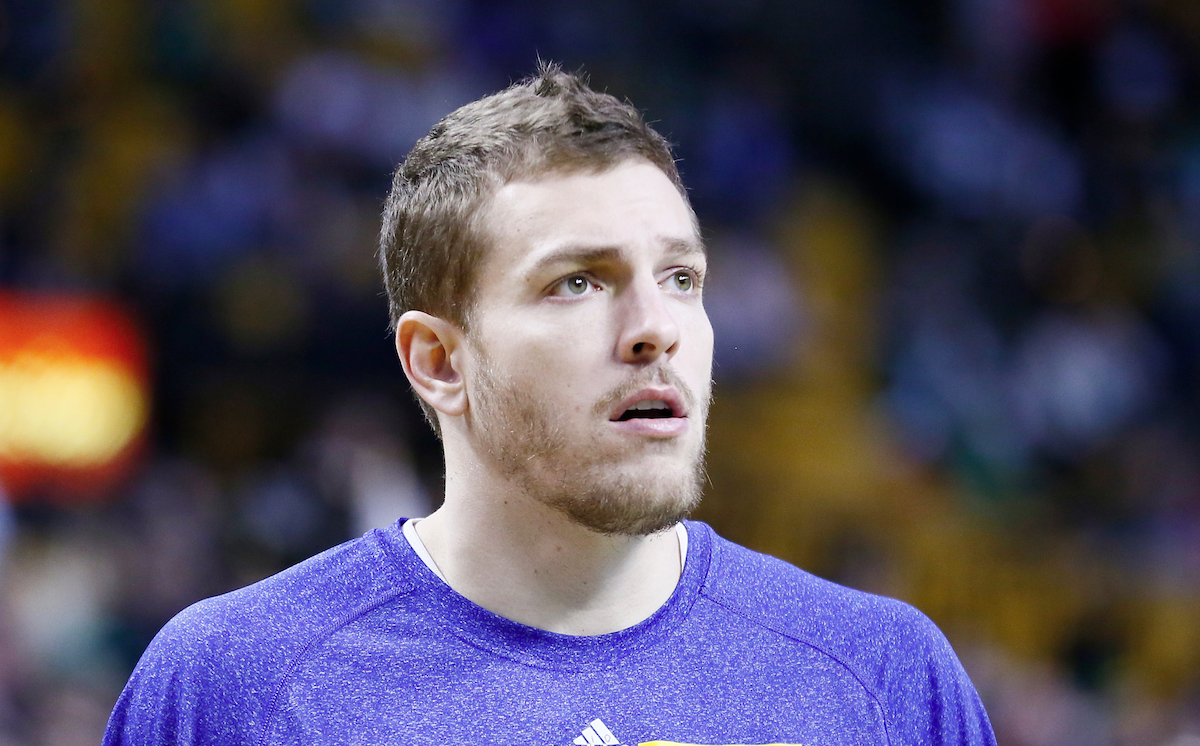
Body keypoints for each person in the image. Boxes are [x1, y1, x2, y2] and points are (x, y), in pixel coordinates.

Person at [104, 63, 996, 746]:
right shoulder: (233, 687)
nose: (656, 329)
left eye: (681, 278)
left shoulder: (883, 678)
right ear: (439, 361)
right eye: (578, 282)